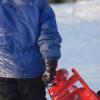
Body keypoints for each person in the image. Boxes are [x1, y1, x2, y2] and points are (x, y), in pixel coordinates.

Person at [0, 0, 62, 100]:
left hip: (3, 70)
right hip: (32, 70)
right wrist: (51, 63)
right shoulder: (40, 5)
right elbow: (49, 36)